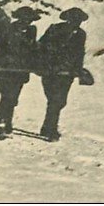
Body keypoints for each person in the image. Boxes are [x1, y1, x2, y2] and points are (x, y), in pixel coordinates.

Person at [37, 7, 88, 141]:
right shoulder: (54, 29)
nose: (77, 23)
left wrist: (78, 70)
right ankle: (49, 129)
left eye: (79, 20)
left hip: (67, 73)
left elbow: (80, 53)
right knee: (55, 100)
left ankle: (48, 128)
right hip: (50, 71)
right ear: (68, 19)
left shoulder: (81, 34)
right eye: (74, 19)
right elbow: (41, 46)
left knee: (58, 101)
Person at [0, 6, 41, 134]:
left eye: (29, 19)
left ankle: (7, 122)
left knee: (13, 98)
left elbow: (32, 49)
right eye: (24, 19)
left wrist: (33, 64)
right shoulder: (8, 29)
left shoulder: (31, 30)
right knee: (7, 97)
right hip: (6, 69)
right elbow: (0, 48)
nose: (27, 22)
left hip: (21, 70)